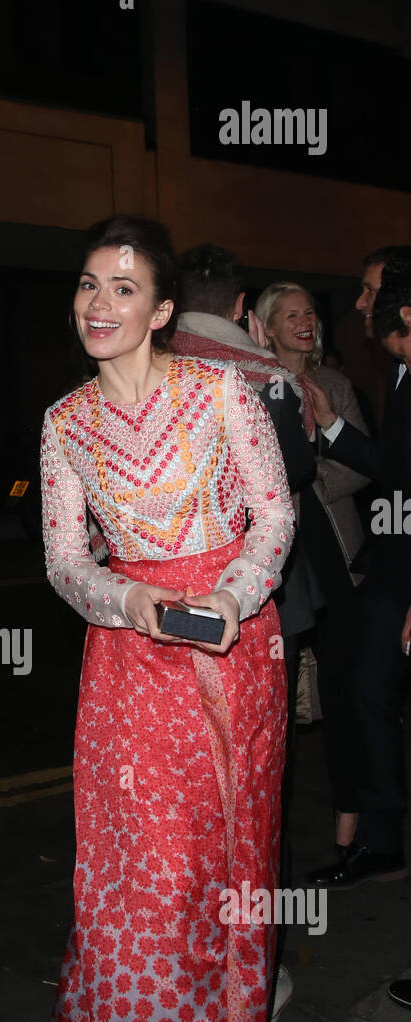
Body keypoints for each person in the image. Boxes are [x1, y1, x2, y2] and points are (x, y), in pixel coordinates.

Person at [0, 216, 294, 1022]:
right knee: (141, 913)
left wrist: (220, 598)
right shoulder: (62, 422)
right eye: (86, 284)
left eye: (123, 288)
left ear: (162, 310)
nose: (98, 304)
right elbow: (64, 558)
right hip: (127, 673)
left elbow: (272, 516)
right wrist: (130, 601)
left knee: (227, 897)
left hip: (231, 664)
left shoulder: (222, 396)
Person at [173, 245, 319, 1022]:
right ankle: (256, 968)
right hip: (256, 605)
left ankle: (185, 960)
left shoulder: (149, 364)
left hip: (161, 608)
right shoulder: (263, 379)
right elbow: (290, 478)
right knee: (260, 786)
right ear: (239, 308)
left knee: (188, 796)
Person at [253, 281, 370, 868]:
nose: (304, 321)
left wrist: (309, 469)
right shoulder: (250, 385)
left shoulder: (336, 385)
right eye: (289, 314)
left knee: (346, 698)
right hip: (281, 563)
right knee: (276, 716)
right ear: (266, 327)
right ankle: (273, 849)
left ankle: (350, 834)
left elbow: (365, 469)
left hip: (337, 555)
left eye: (309, 313)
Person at [305, 249, 411, 891]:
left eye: (370, 293)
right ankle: (380, 840)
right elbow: (398, 468)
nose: (359, 306)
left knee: (370, 693)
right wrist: (333, 426)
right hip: (393, 566)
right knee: (366, 694)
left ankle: (379, 839)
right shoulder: (399, 371)